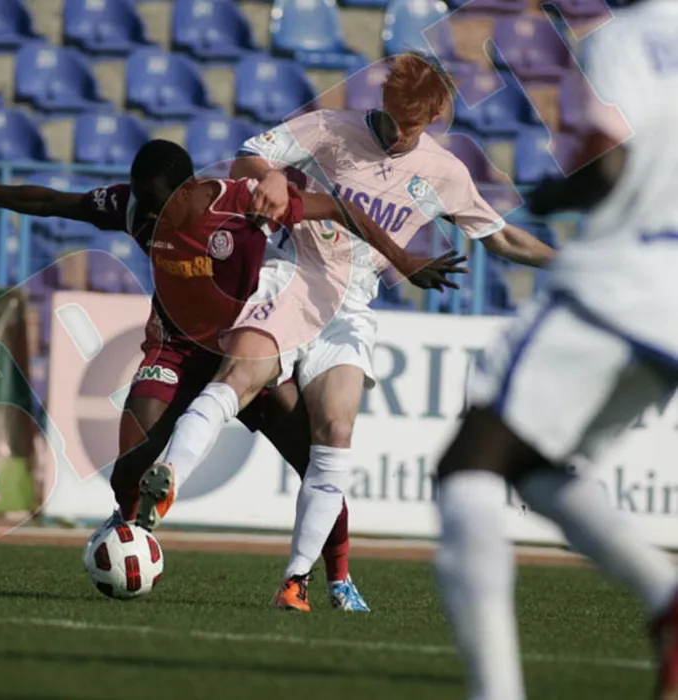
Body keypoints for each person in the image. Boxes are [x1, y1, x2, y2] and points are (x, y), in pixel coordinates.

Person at [0, 139, 459, 611]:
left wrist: (405, 261)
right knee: (129, 466)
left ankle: (339, 578)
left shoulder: (243, 203)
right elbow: (52, 201)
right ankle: (129, 528)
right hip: (175, 351)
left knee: (317, 460)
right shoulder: (136, 208)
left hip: (247, 352)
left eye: (160, 206)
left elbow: (336, 207)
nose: (152, 217)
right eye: (145, 206)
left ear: (189, 188)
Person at [138, 52, 553, 612]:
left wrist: (571, 262)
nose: (400, 134)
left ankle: (296, 580)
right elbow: (249, 156)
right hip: (292, 276)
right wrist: (272, 178)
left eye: (413, 126)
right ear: (383, 102)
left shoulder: (445, 173)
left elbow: (501, 237)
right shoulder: (332, 129)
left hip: (351, 305)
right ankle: (169, 474)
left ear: (433, 119)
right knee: (238, 377)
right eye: (395, 119)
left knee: (335, 428)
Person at [434, 1, 678, 697]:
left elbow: (608, 166)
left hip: (623, 282)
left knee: (466, 468)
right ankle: (666, 598)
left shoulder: (626, 39)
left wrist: (543, 198)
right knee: (534, 468)